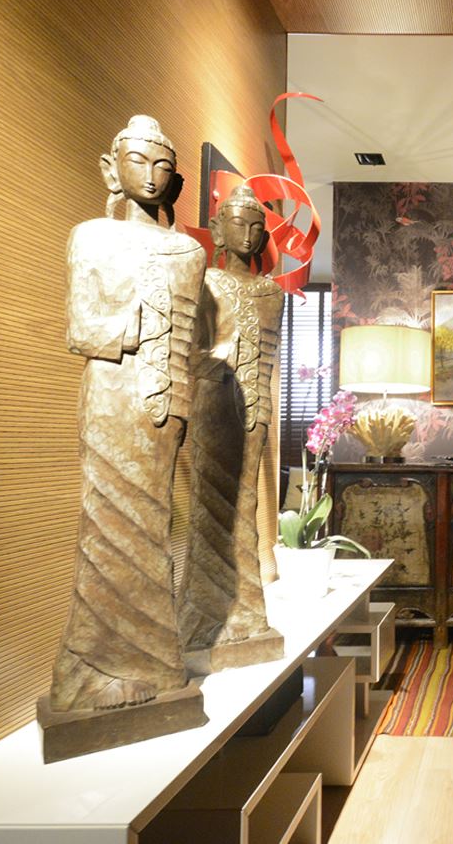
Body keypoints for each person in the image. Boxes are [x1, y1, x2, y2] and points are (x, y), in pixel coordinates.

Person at [48, 116, 205, 712]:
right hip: (112, 394)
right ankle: (88, 669)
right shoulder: (92, 237)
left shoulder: (189, 251)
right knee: (107, 529)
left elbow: (193, 340)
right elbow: (81, 328)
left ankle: (149, 660)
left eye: (163, 166)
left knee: (152, 528)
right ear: (112, 169)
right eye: (138, 161)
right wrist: (143, 324)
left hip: (168, 402)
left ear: (175, 180)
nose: (151, 175)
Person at [179, 182, 284, 672]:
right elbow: (195, 349)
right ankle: (203, 618)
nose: (248, 234)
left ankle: (247, 612)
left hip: (255, 406)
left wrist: (258, 397)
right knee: (208, 507)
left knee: (246, 506)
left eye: (257, 227)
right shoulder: (206, 282)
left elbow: (268, 358)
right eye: (238, 224)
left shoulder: (272, 293)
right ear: (218, 230)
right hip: (213, 400)